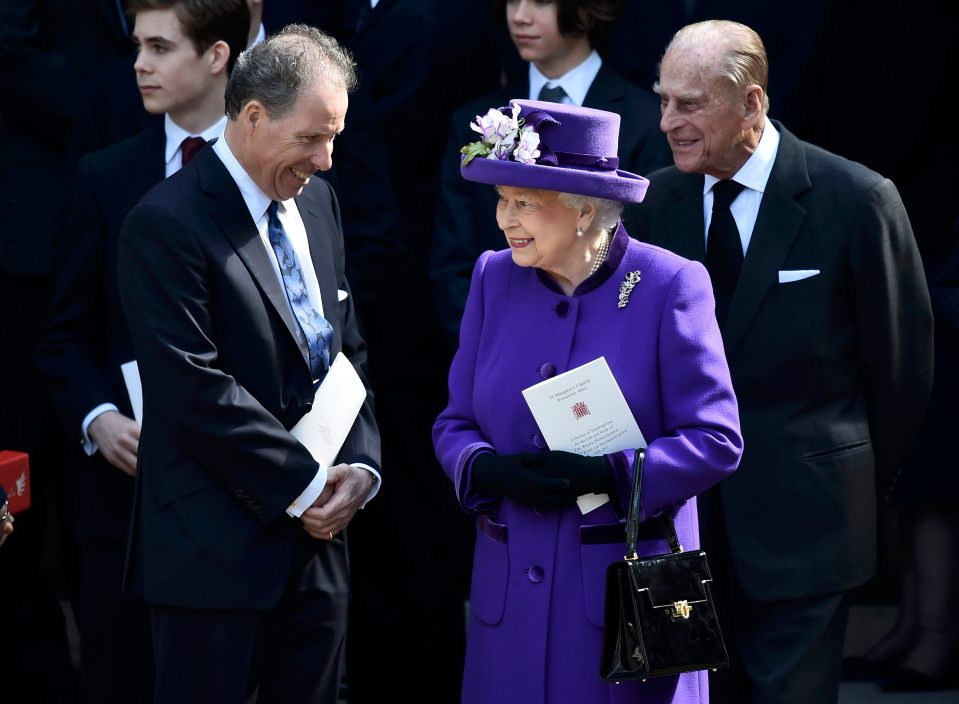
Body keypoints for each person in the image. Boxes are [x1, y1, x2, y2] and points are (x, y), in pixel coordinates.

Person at [634, 20, 935, 703]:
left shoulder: (856, 200)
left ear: (751, 104)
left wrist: (846, 478)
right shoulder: (653, 205)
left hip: (808, 525)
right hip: (681, 528)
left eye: (689, 104)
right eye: (662, 101)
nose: (667, 122)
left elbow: (902, 370)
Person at [432, 98, 743, 703]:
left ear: (583, 209)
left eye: (524, 203)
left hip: (622, 610)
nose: (504, 219)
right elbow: (455, 421)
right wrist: (487, 467)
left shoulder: (669, 285)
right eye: (501, 199)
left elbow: (717, 439)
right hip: (509, 611)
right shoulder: (493, 276)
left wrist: (611, 473)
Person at [116, 24, 381, 704]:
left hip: (319, 552)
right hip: (212, 554)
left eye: (334, 137)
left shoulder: (318, 201)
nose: (325, 158)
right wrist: (308, 484)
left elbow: (343, 345)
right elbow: (193, 388)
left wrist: (360, 466)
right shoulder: (166, 221)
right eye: (310, 137)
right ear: (254, 116)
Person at [35, 1, 250, 701]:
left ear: (216, 57)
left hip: (237, 507)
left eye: (159, 48)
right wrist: (97, 416)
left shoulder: (275, 174)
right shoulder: (106, 175)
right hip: (122, 511)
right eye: (136, 46)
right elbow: (65, 334)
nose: (139, 65)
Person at [430, 0, 671, 349]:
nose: (520, 16)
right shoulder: (477, 122)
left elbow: (645, 253)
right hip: (497, 344)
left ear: (588, 9)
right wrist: (495, 344)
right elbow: (452, 262)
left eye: (541, 1)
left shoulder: (644, 121)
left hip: (609, 346)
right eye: (512, 0)